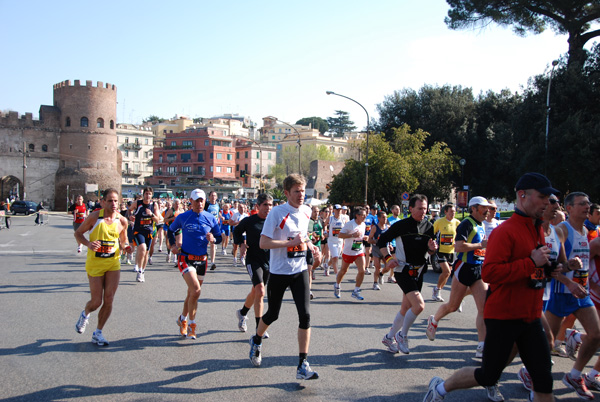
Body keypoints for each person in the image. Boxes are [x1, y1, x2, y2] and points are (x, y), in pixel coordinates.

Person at [424, 172, 559, 402]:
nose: (548, 202)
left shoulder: (536, 229)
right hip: (505, 317)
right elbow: (491, 273)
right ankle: (440, 388)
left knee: (544, 381)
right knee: (488, 375)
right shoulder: (504, 231)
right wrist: (531, 262)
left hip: (531, 316)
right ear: (522, 195)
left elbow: (531, 269)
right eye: (543, 196)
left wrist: (547, 269)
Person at [249, 174, 320, 380]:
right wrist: (290, 244)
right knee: (273, 314)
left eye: (303, 191)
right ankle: (257, 339)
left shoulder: (306, 211)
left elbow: (302, 236)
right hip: (280, 271)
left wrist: (311, 246)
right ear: (287, 193)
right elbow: (263, 243)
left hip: (299, 271)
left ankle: (302, 364)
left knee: (305, 316)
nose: (301, 195)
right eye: (296, 191)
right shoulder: (277, 213)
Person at [545, 192, 600, 400]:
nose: (587, 207)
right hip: (561, 292)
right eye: (582, 204)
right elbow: (554, 268)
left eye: (588, 203)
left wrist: (590, 284)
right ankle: (527, 372)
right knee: (547, 343)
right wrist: (569, 274)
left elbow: (586, 263)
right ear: (569, 208)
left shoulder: (585, 230)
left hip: (581, 293)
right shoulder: (561, 231)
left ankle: (575, 375)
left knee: (596, 335)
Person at [426, 196, 493, 360]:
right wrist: (481, 245)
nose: (487, 211)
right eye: (484, 208)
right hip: (464, 268)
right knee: (453, 306)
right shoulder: (467, 224)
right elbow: (459, 246)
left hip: (478, 270)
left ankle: (482, 346)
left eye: (488, 208)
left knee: (484, 308)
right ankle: (434, 320)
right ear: (474, 208)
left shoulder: (480, 224)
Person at [378, 194, 437, 355]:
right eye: (419, 208)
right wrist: (389, 258)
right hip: (403, 270)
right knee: (419, 306)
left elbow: (430, 250)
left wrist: (433, 248)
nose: (423, 212)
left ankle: (389, 337)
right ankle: (402, 335)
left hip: (419, 271)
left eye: (425, 209)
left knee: (406, 307)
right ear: (410, 209)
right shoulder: (401, 225)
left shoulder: (429, 226)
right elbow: (381, 241)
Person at [74, 188, 130, 346]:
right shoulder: (94, 217)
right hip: (95, 264)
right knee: (96, 301)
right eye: (110, 200)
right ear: (103, 202)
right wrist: (88, 244)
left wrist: (126, 247)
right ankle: (85, 314)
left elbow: (123, 240)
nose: (113, 204)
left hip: (113, 262)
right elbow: (78, 233)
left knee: (109, 299)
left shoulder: (122, 221)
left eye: (116, 201)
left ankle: (98, 332)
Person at [169, 189, 222, 340]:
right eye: (197, 200)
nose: (200, 203)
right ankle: (192, 325)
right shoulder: (183, 217)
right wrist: (173, 245)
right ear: (190, 201)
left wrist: (213, 239)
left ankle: (182, 319)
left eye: (202, 200)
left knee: (192, 293)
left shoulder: (210, 218)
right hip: (185, 258)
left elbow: (218, 237)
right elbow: (170, 230)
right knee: (196, 290)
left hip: (202, 260)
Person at [234, 193, 273, 333]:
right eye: (265, 205)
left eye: (270, 205)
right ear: (257, 206)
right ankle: (259, 327)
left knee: (256, 291)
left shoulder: (273, 221)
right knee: (260, 291)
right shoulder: (249, 221)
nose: (268, 208)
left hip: (268, 261)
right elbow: (237, 231)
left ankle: (242, 313)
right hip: (253, 260)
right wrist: (242, 244)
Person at [333, 207, 369, 300]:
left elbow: (359, 236)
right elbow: (340, 235)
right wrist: (352, 235)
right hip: (348, 251)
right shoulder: (350, 224)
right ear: (357, 215)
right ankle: (337, 285)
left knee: (362, 270)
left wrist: (364, 237)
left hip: (359, 250)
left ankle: (356, 290)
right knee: (343, 271)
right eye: (363, 215)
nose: (365, 217)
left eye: (365, 215)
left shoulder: (363, 225)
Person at [431, 204, 460, 302]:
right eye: (451, 211)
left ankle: (437, 290)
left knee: (447, 274)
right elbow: (432, 234)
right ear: (446, 212)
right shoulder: (439, 222)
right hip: (441, 250)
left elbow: (460, 236)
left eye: (454, 211)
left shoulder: (457, 222)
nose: (453, 213)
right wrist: (433, 242)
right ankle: (437, 290)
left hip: (451, 251)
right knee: (446, 271)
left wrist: (457, 242)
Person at [130, 187, 160, 282]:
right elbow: (129, 210)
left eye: (149, 194)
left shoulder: (154, 205)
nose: (148, 196)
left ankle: (142, 271)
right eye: (146, 193)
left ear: (152, 195)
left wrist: (151, 214)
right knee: (142, 247)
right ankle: (139, 270)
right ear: (143, 195)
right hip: (139, 230)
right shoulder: (138, 203)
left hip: (149, 231)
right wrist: (130, 216)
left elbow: (157, 219)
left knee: (146, 252)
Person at [368, 210, 390, 290]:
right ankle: (375, 283)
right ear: (379, 218)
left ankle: (381, 274)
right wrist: (376, 241)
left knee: (388, 266)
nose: (385, 219)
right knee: (377, 267)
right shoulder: (375, 228)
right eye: (383, 217)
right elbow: (369, 239)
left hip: (385, 249)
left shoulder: (388, 227)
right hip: (376, 249)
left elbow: (389, 238)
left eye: (386, 217)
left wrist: (390, 245)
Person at [327, 205, 345, 277]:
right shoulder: (330, 218)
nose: (338, 212)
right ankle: (337, 274)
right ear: (334, 210)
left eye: (340, 210)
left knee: (335, 257)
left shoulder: (343, 219)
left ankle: (326, 265)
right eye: (337, 210)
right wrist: (325, 232)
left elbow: (346, 228)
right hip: (332, 241)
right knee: (335, 257)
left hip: (340, 241)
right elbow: (324, 225)